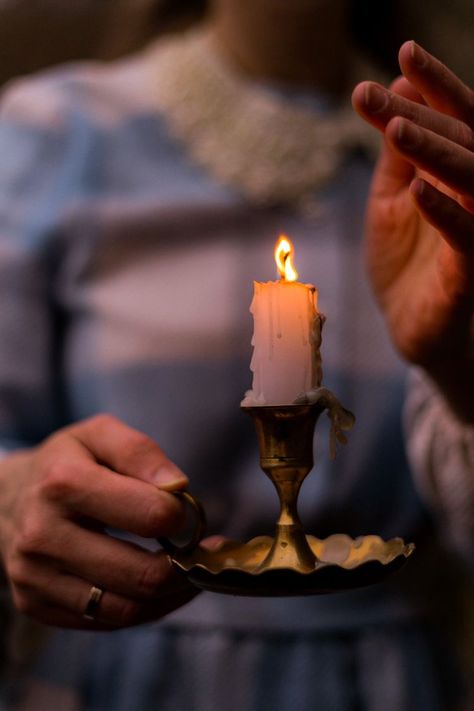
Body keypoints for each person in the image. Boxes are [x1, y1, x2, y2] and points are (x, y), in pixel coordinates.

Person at [0, 0, 472, 709]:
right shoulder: (55, 133)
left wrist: (460, 368)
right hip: (123, 680)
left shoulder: (445, 161)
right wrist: (13, 493)